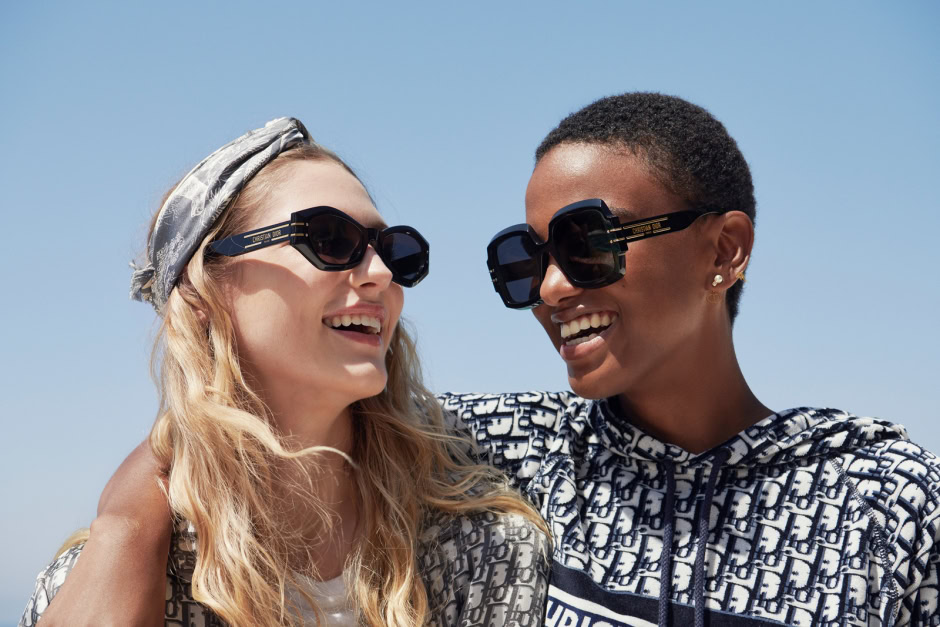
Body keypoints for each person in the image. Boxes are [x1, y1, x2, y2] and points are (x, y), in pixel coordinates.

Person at [27, 94, 940, 626]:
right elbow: (254, 429)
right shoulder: (515, 453)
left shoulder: (883, 493)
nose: (548, 288)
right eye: (525, 257)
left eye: (587, 243)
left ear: (724, 250)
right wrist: (128, 525)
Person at [18, 118, 550, 627]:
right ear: (203, 289)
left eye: (393, 250)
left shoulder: (485, 548)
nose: (383, 273)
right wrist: (124, 531)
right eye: (329, 239)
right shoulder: (106, 586)